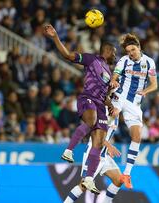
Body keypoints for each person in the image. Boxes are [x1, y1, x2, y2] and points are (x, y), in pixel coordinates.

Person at [44, 24, 117, 194]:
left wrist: (111, 104)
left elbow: (104, 95)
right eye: (114, 52)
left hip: (100, 104)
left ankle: (90, 178)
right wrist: (55, 36)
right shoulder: (92, 59)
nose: (115, 55)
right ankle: (68, 151)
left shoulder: (108, 70)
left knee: (98, 141)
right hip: (88, 98)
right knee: (90, 123)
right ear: (107, 50)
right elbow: (68, 55)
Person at [110, 33, 158, 189]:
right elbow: (115, 76)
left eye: (133, 50)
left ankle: (127, 173)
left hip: (135, 104)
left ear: (139, 48)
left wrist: (145, 91)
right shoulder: (124, 61)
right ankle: (101, 149)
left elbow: (154, 85)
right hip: (120, 97)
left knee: (137, 137)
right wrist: (113, 81)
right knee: (112, 120)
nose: (131, 53)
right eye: (128, 51)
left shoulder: (149, 63)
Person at [64, 117, 123, 203]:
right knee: (84, 184)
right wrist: (109, 146)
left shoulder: (116, 112)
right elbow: (97, 135)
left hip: (104, 154)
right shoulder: (104, 111)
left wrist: (107, 148)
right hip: (93, 152)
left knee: (118, 179)